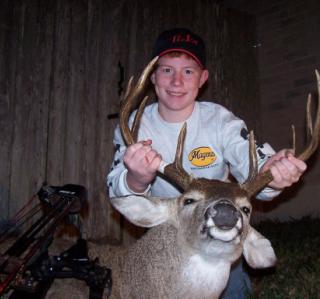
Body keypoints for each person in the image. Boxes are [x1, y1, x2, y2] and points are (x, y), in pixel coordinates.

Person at [107, 28, 307, 299]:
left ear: (203, 79)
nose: (177, 81)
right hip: (169, 229)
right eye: (167, 70)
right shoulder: (134, 127)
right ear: (153, 76)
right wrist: (137, 178)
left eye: (188, 71)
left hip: (223, 226)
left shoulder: (221, 121)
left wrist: (275, 172)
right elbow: (117, 188)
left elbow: (255, 166)